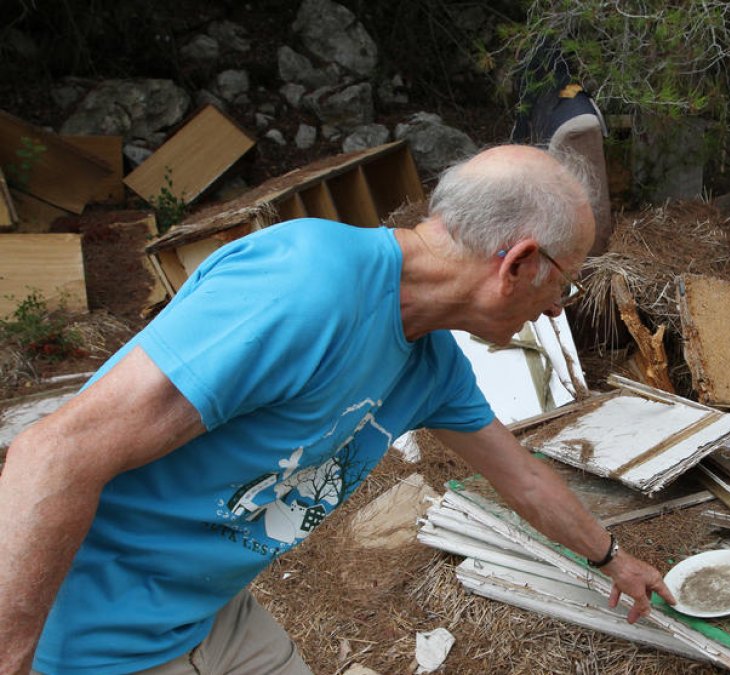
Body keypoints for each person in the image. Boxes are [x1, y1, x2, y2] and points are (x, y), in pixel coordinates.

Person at [0, 145, 676, 675]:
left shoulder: (430, 363)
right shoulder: (305, 283)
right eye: (565, 278)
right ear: (519, 262)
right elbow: (52, 453)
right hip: (94, 635)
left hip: (209, 613)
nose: (560, 304)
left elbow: (524, 480)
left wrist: (613, 558)